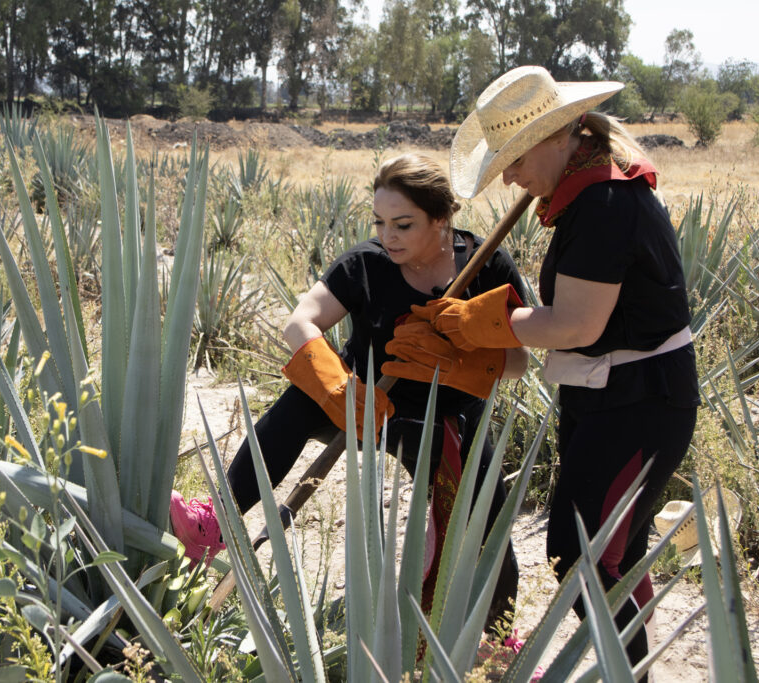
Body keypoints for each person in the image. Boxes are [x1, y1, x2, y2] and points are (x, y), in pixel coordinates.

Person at [387, 66, 699, 680]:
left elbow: (577, 324)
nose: (507, 175)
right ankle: (629, 670)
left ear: (560, 136)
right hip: (604, 396)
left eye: (514, 156)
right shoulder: (586, 197)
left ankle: (623, 672)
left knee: (582, 555)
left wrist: (479, 321)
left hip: (639, 401)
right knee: (610, 552)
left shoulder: (606, 202)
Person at [172, 153, 529, 623]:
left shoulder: (487, 267)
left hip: (449, 419)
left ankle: (494, 638)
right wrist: (338, 387)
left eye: (403, 224)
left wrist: (462, 349)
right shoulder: (368, 264)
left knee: (486, 521)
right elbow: (300, 322)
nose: (388, 236)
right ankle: (216, 520)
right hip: (367, 404)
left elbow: (519, 363)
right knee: (301, 399)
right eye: (380, 222)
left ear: (441, 218)